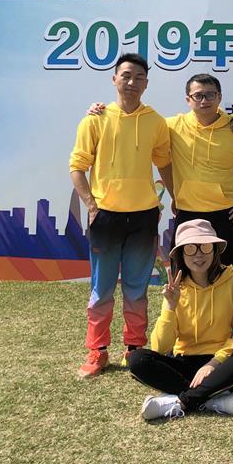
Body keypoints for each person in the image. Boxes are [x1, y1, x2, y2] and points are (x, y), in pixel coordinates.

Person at [86, 73, 233, 268]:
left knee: (227, 273)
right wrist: (102, 112)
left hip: (225, 215)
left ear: (219, 97)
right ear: (188, 100)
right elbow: (136, 121)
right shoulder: (173, 126)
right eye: (198, 96)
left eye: (210, 95)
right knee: (182, 275)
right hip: (187, 213)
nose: (204, 101)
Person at [70, 53, 172, 378]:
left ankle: (134, 348)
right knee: (101, 289)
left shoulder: (156, 121)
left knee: (136, 289)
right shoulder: (95, 119)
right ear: (114, 79)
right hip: (106, 217)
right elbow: (77, 167)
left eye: (139, 77)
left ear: (146, 83)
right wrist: (91, 205)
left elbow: (164, 163)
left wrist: (177, 198)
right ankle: (97, 351)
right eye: (126, 75)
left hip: (143, 217)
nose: (132, 82)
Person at [130, 219, 233, 421]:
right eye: (190, 248)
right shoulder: (176, 288)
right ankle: (211, 400)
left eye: (205, 247)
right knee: (138, 359)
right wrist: (170, 306)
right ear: (181, 254)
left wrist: (213, 364)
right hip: (185, 364)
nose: (198, 255)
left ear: (215, 250)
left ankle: (182, 402)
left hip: (223, 364)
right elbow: (160, 347)